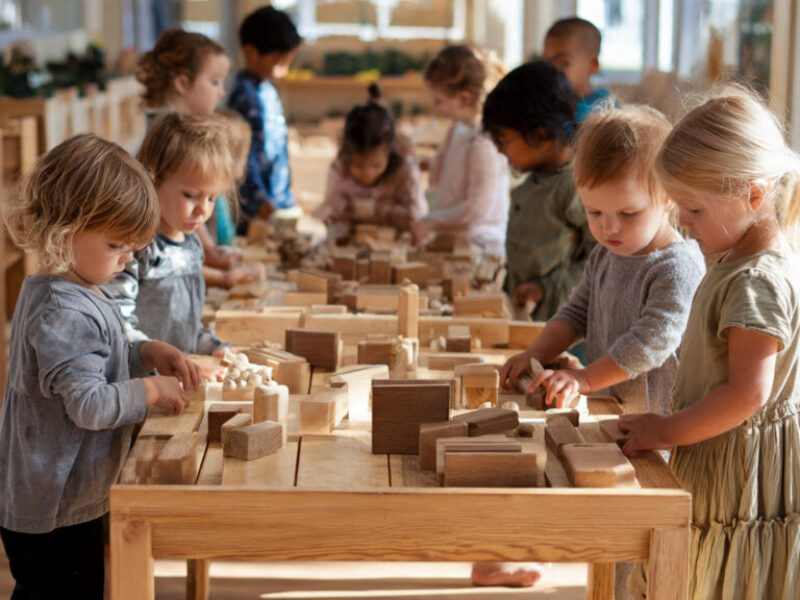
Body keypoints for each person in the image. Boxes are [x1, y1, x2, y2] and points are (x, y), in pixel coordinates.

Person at [499, 105, 704, 596]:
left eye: (628, 213)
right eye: (594, 212)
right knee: (602, 521)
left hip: (659, 425)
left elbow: (653, 340)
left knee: (636, 541)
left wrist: (586, 378)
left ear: (668, 200)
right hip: (615, 411)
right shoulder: (605, 253)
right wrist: (537, 351)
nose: (609, 227)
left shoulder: (676, 265)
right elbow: (575, 311)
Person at [0, 134, 200, 599]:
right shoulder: (64, 311)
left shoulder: (74, 286)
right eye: (117, 245)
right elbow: (88, 405)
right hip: (53, 505)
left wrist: (145, 351)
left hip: (66, 493)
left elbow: (96, 359)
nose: (128, 259)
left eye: (133, 246)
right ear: (64, 236)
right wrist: (150, 392)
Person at [620, 87, 800, 599]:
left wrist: (667, 429)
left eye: (693, 209)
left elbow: (747, 394)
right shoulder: (735, 259)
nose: (681, 221)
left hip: (737, 467)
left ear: (754, 194)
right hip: (721, 450)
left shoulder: (756, 280)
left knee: (709, 580)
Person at [136, 27, 261, 289]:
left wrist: (209, 249)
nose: (222, 92)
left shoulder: (177, 128)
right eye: (215, 82)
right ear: (182, 83)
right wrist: (216, 267)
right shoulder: (166, 137)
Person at [107, 112, 235, 355]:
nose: (203, 209)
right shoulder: (136, 248)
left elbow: (188, 329)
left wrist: (213, 348)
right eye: (190, 195)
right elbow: (117, 325)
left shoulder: (191, 247)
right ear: (153, 180)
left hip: (180, 381)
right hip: (144, 384)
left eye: (212, 198)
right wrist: (156, 357)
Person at [482, 60, 595, 322]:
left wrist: (548, 287)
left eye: (502, 140)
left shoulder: (575, 185)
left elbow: (604, 259)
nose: (499, 150)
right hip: (529, 319)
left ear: (539, 135)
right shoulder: (539, 175)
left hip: (563, 327)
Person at [415, 44, 509, 256]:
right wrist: (421, 163)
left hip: (480, 242)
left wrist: (431, 222)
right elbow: (449, 167)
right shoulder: (457, 129)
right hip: (455, 235)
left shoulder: (484, 142)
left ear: (463, 98)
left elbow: (477, 208)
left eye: (439, 101)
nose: (435, 106)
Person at [313, 84, 427, 236]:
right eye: (358, 165)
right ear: (347, 155)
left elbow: (416, 215)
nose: (367, 173)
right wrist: (333, 216)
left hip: (396, 244)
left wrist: (371, 209)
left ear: (390, 152)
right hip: (352, 242)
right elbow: (330, 209)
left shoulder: (404, 169)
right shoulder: (340, 169)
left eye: (376, 165)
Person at [228, 5, 302, 221]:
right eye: (279, 62)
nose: (284, 71)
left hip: (276, 198)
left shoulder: (267, 89)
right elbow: (244, 154)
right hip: (256, 207)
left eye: (288, 63)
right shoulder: (244, 96)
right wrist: (260, 200)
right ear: (251, 53)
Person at [543, 17, 612, 122]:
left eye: (563, 63)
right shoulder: (544, 103)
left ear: (592, 65)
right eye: (548, 62)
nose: (552, 70)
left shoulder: (606, 110)